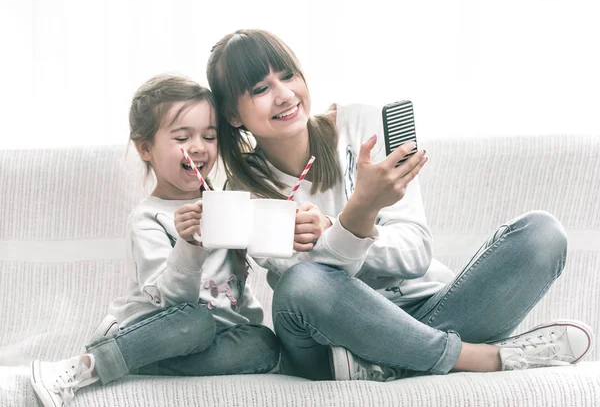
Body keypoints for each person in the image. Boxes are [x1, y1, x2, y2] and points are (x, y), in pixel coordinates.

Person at [205, 29, 594, 381]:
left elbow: (415, 253)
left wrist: (336, 226)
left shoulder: (361, 127)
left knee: (542, 234)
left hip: (428, 308)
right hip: (333, 337)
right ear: (233, 114)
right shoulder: (244, 192)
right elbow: (310, 286)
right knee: (301, 285)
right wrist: (356, 217)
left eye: (287, 75)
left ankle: (388, 363)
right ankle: (475, 358)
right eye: (260, 88)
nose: (285, 94)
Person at [29, 74, 280, 406]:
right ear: (145, 148)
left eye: (209, 135)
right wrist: (189, 245)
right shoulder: (149, 217)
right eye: (181, 137)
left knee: (264, 342)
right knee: (197, 321)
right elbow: (172, 301)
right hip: (163, 323)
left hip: (213, 338)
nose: (198, 147)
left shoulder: (226, 206)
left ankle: (139, 361)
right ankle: (89, 365)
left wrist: (284, 230)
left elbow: (237, 286)